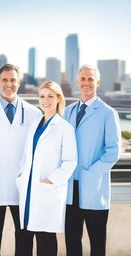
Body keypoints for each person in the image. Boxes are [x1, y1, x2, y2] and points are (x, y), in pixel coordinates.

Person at [0, 64, 42, 256]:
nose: (9, 84)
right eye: (5, 80)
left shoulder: (34, 113)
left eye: (13, 80)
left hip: (22, 185)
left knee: (25, 236)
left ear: (19, 82)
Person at [64, 65, 121, 256]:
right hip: (71, 188)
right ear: (77, 82)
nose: (86, 83)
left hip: (94, 188)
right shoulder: (68, 111)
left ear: (97, 82)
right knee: (72, 240)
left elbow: (113, 151)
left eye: (90, 79)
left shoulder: (107, 112)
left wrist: (91, 172)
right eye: (83, 79)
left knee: (97, 243)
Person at [16, 81, 77, 256]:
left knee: (46, 240)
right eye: (42, 96)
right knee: (25, 237)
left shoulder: (65, 128)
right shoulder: (34, 124)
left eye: (50, 96)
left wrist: (49, 181)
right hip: (28, 191)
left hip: (46, 191)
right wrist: (21, 176)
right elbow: (27, 156)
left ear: (58, 98)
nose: (46, 100)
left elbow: (70, 162)